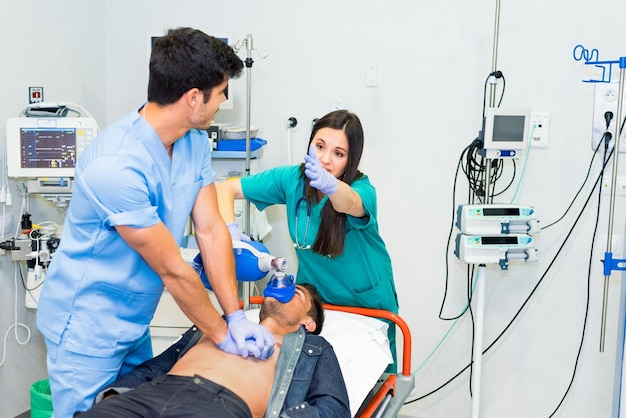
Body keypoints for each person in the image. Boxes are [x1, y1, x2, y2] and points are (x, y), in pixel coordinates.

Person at [36, 27, 274, 417]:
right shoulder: (114, 165)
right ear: (194, 98)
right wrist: (220, 334)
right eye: (221, 92)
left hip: (133, 323)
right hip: (86, 328)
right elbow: (173, 271)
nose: (224, 100)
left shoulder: (193, 142)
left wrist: (233, 314)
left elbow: (211, 229)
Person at [217, 109, 399, 371]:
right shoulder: (292, 180)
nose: (325, 159)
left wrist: (332, 186)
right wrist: (230, 231)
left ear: (352, 159)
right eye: (320, 146)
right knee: (312, 368)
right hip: (318, 297)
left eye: (338, 154)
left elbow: (351, 203)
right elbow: (226, 189)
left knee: (371, 376)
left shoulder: (363, 189)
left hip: (367, 302)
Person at [74, 284, 350, 418]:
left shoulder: (313, 348)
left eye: (295, 293)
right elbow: (153, 368)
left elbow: (333, 408)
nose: (283, 290)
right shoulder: (214, 327)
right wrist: (114, 394)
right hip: (150, 395)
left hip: (219, 406)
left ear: (308, 323)